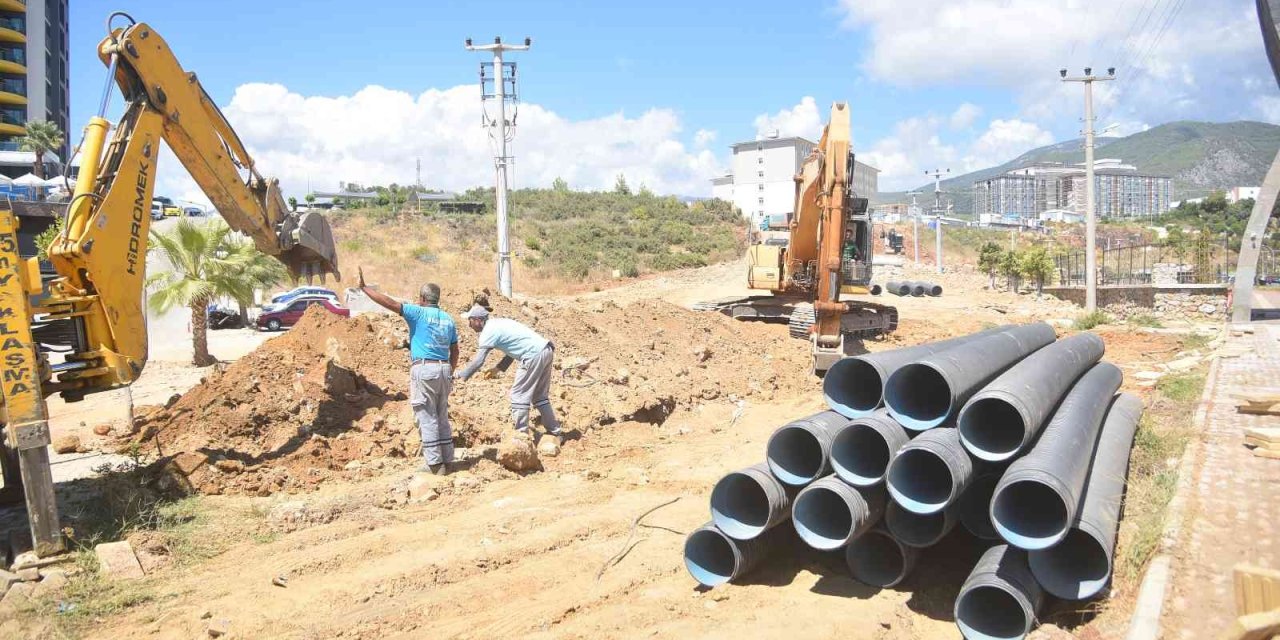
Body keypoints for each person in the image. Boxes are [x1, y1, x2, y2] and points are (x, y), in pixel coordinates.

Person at [357, 268, 459, 475]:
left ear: (422, 298)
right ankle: (448, 460)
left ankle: (434, 464)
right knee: (441, 415)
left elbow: (390, 303)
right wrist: (449, 372)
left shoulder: (418, 313)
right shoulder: (448, 319)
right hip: (444, 368)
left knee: (426, 415)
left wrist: (364, 288)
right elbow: (455, 350)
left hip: (424, 369)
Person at [454, 305, 563, 442]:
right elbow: (513, 349)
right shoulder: (499, 323)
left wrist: (461, 376)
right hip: (545, 350)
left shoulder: (488, 331)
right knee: (539, 396)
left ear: (477, 320)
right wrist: (498, 368)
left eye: (470, 321)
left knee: (518, 395)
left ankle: (521, 437)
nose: (469, 325)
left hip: (532, 355)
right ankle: (555, 433)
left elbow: (478, 361)